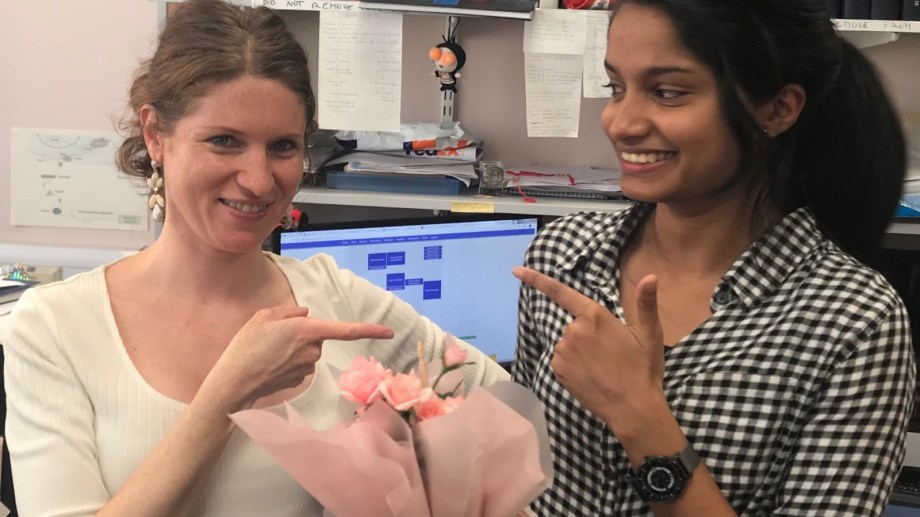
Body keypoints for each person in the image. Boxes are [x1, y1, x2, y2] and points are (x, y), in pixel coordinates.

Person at [4, 1, 508, 515]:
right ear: (155, 135)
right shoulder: (54, 326)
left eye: (283, 147)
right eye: (224, 141)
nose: (260, 180)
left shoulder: (336, 299)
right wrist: (227, 394)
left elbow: (497, 401)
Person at [512, 1, 916, 515]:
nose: (620, 122)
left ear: (778, 109)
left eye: (667, 92)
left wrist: (638, 414)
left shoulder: (854, 320)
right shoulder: (562, 257)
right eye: (616, 87)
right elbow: (516, 473)